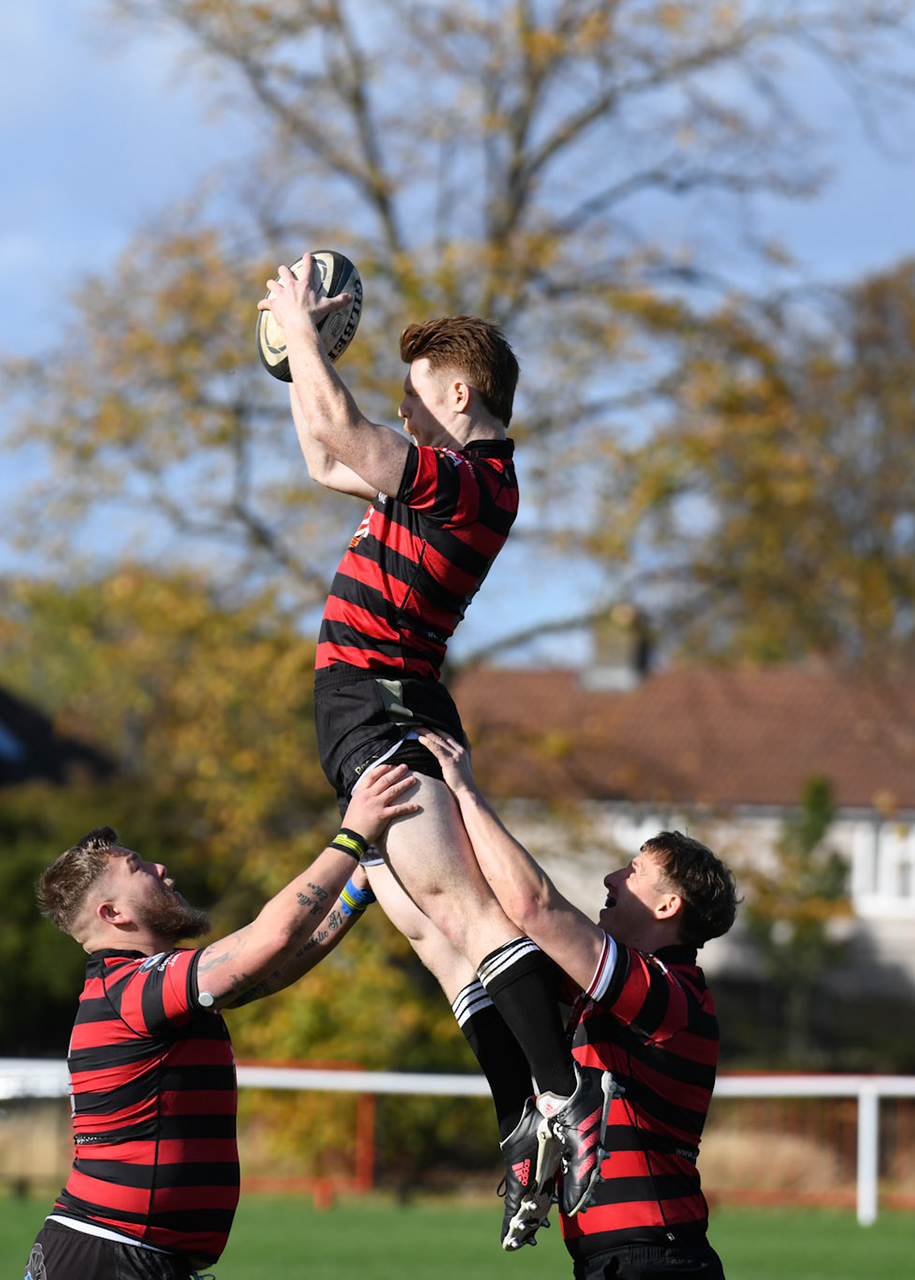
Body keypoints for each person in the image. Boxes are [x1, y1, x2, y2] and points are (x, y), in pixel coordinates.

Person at [260, 260, 607, 1248]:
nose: (403, 416)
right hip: (368, 705)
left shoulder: (466, 479)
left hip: (380, 703)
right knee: (432, 931)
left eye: (414, 398)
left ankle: (564, 1094)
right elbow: (330, 457)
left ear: (459, 395)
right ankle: (524, 1119)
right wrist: (303, 368)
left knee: (466, 909)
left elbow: (349, 438)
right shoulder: (443, 478)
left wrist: (299, 330)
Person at [24, 762, 418, 1280]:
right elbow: (268, 940)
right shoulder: (134, 988)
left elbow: (272, 969)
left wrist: (358, 884)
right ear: (112, 915)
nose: (162, 869)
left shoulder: (140, 987)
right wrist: (351, 836)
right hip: (109, 1256)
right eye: (138, 867)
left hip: (126, 1252)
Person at [419, 729, 739, 1279]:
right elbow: (476, 933)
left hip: (658, 1258)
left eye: (633, 871)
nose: (612, 877)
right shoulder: (615, 991)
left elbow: (534, 906)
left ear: (668, 905)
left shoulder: (672, 996)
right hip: (623, 1258)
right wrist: (376, 855)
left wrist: (466, 793)